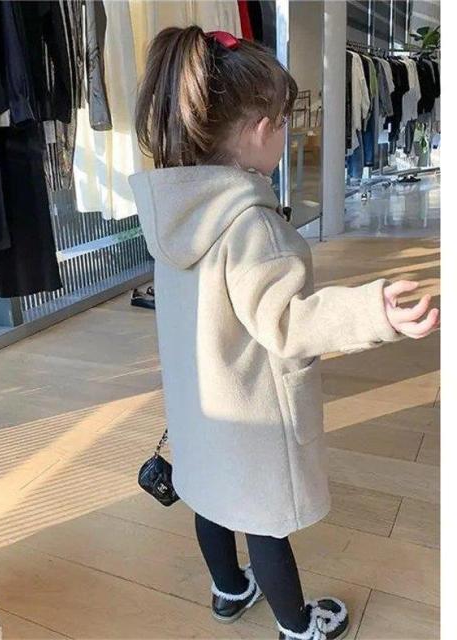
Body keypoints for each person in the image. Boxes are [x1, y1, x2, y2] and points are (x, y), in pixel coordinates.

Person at [128, 27, 439, 640]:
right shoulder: (252, 227)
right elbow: (290, 323)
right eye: (284, 123)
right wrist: (373, 312)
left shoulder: (174, 214)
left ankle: (229, 590)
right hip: (252, 413)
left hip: (200, 409)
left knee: (209, 501)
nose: (287, 134)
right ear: (260, 130)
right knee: (265, 524)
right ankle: (298, 626)